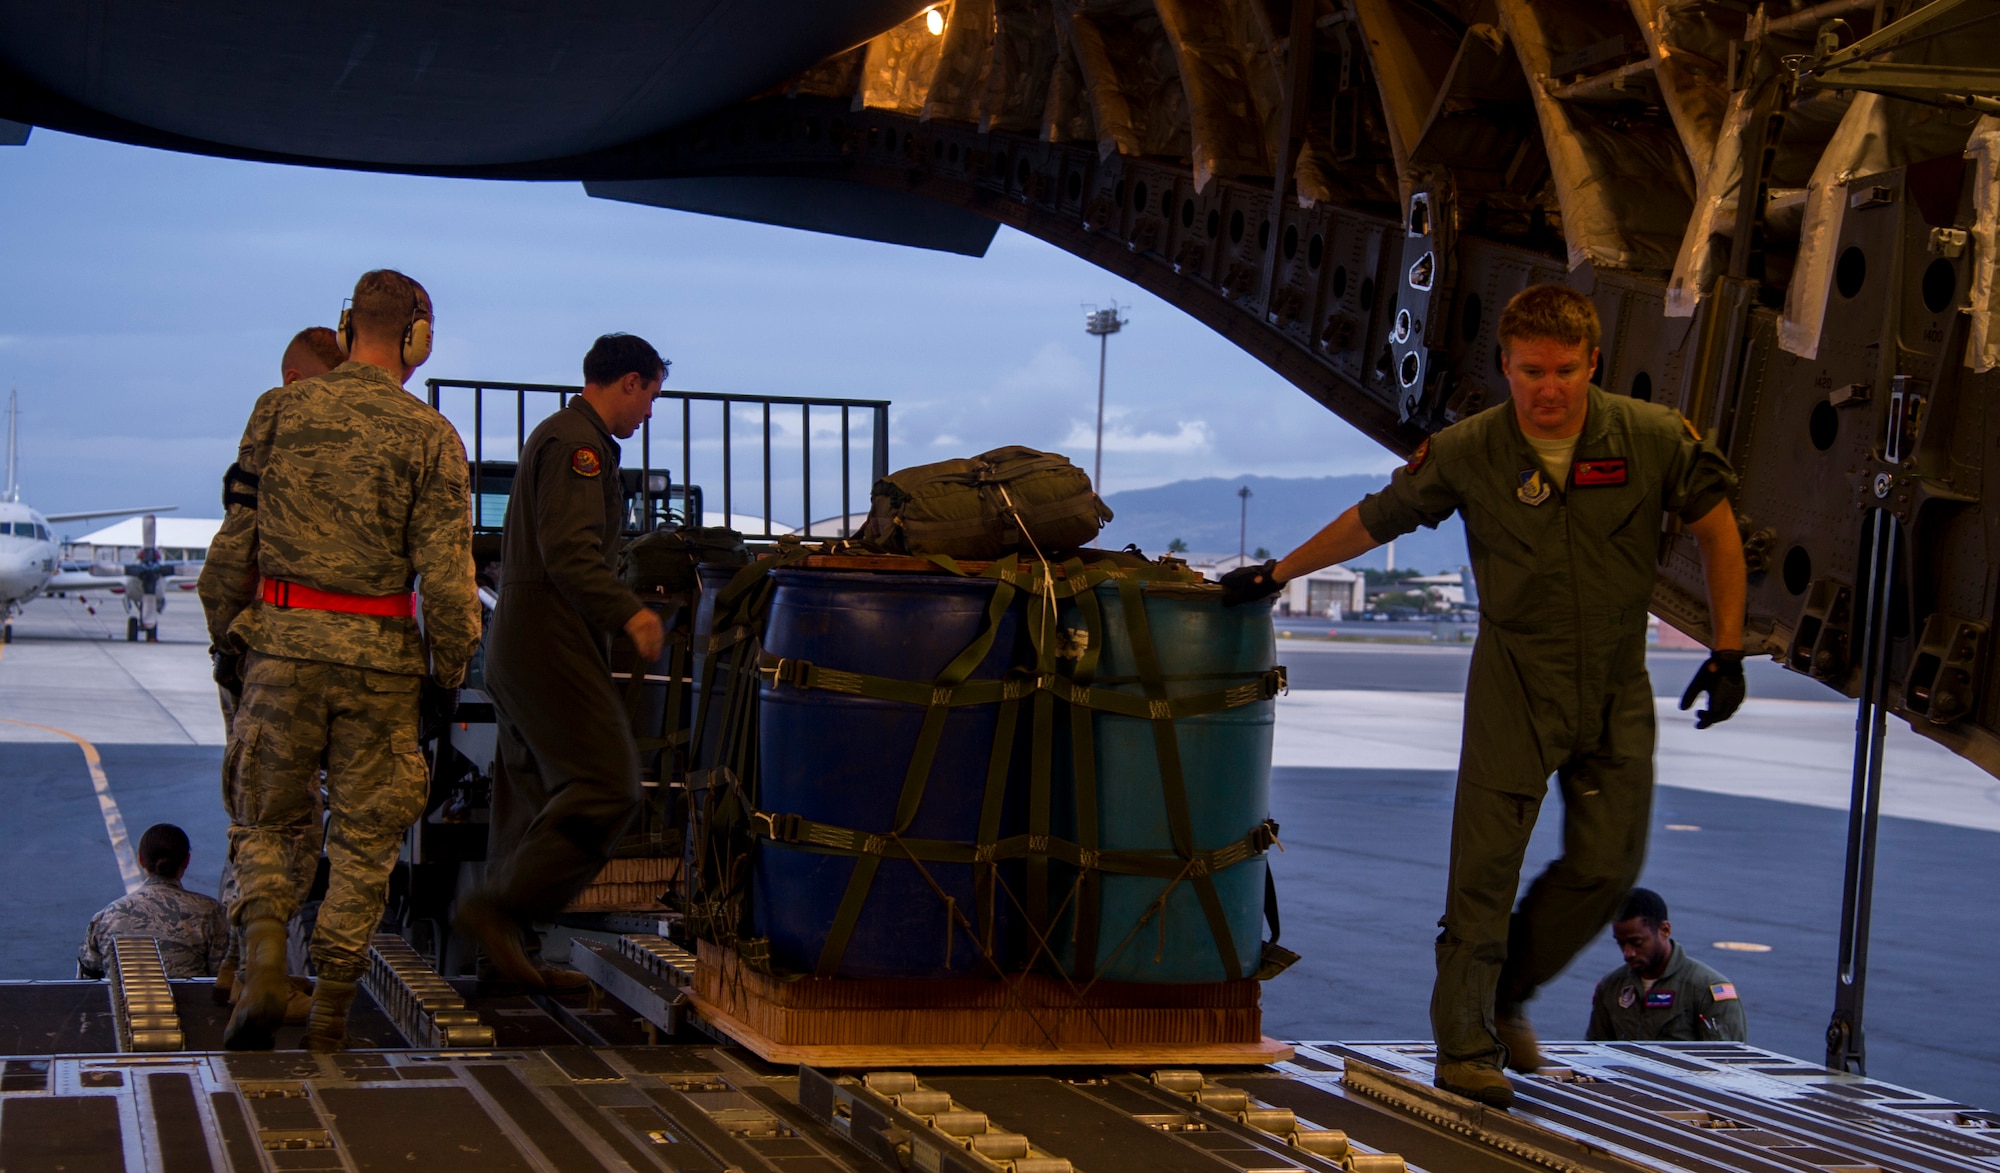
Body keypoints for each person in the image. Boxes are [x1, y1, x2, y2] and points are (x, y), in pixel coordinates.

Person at [1221, 284, 1748, 1109]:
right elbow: (1379, 517)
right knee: (1483, 876)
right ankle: (1466, 1044)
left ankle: (1507, 995)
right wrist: (1279, 572)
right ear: (1504, 365)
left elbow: (1717, 524)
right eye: (1531, 370)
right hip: (1515, 681)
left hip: (1616, 683)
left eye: (1566, 370)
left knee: (1609, 864)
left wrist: (1728, 648)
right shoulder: (1470, 450)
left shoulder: (1647, 439)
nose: (1549, 388)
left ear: (1594, 363)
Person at [198, 269, 481, 1051]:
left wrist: (231, 639)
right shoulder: (431, 436)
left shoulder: (278, 411)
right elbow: (450, 582)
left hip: (281, 648)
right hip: (379, 665)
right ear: (419, 337)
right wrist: (448, 674)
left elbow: (233, 548)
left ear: (347, 323)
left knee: (266, 817)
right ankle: (327, 1017)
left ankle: (261, 953)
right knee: (363, 837)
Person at [457, 333, 667, 989]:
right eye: (651, 396)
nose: (650, 414)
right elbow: (571, 554)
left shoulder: (566, 437)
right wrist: (628, 611)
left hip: (521, 639)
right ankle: (498, 908)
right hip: (549, 633)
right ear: (628, 382)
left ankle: (506, 953)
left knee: (525, 795)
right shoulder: (578, 445)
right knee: (608, 783)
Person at [211, 325, 345, 1003]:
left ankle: (247, 965)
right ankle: (264, 970)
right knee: (280, 823)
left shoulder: (282, 445)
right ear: (296, 382)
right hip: (283, 655)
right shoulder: (276, 427)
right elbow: (226, 564)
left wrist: (228, 653)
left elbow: (225, 570)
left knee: (260, 819)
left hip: (265, 655)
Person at [1587, 888, 1747, 1042]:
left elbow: (1726, 1061)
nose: (1628, 953)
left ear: (1664, 930)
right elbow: (1595, 1052)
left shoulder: (1706, 990)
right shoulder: (1611, 987)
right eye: (1621, 943)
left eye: (1637, 942)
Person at [78, 824, 228, 980]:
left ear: (141, 860)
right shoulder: (212, 913)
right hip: (192, 1004)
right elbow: (222, 977)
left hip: (125, 1003)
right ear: (186, 861)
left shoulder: (106, 917)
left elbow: (87, 982)